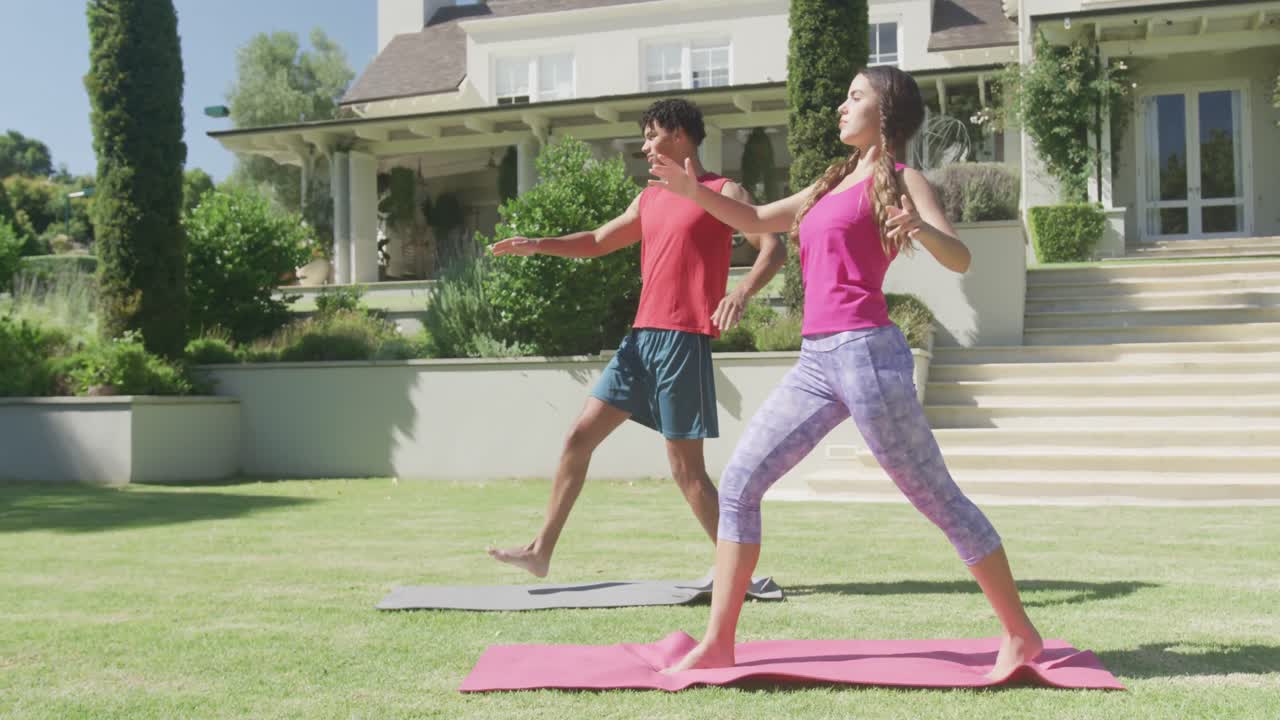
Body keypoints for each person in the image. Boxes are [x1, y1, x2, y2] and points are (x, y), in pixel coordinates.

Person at [648, 66, 1043, 680]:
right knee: (742, 480)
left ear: (885, 112)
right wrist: (691, 189)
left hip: (867, 356)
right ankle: (720, 642)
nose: (841, 105)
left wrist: (918, 229)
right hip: (815, 360)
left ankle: (1021, 633)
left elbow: (959, 256)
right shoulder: (830, 183)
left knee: (936, 497)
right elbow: (756, 222)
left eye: (855, 96)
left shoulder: (903, 180)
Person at [486, 98, 787, 578]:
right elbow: (599, 241)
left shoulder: (722, 190)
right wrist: (538, 244)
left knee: (686, 471)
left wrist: (742, 291)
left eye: (652, 135)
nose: (645, 146)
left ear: (680, 135)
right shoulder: (650, 197)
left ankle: (740, 574)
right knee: (578, 439)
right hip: (640, 340)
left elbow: (772, 245)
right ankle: (540, 551)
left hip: (682, 341)